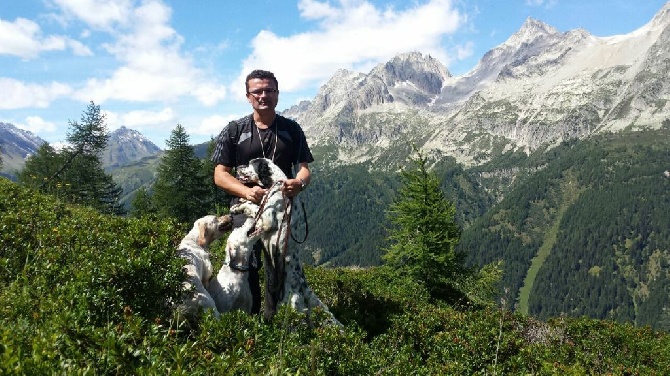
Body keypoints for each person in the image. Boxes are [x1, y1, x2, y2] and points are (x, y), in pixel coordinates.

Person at [211, 69, 314, 320]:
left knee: (279, 265)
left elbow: (304, 170)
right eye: (257, 91)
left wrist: (298, 184)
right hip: (245, 207)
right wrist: (247, 192)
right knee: (247, 263)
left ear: (277, 94)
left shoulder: (292, 129)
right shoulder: (234, 130)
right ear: (248, 96)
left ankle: (271, 320)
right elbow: (220, 175)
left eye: (269, 90)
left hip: (281, 210)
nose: (263, 95)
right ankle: (247, 318)